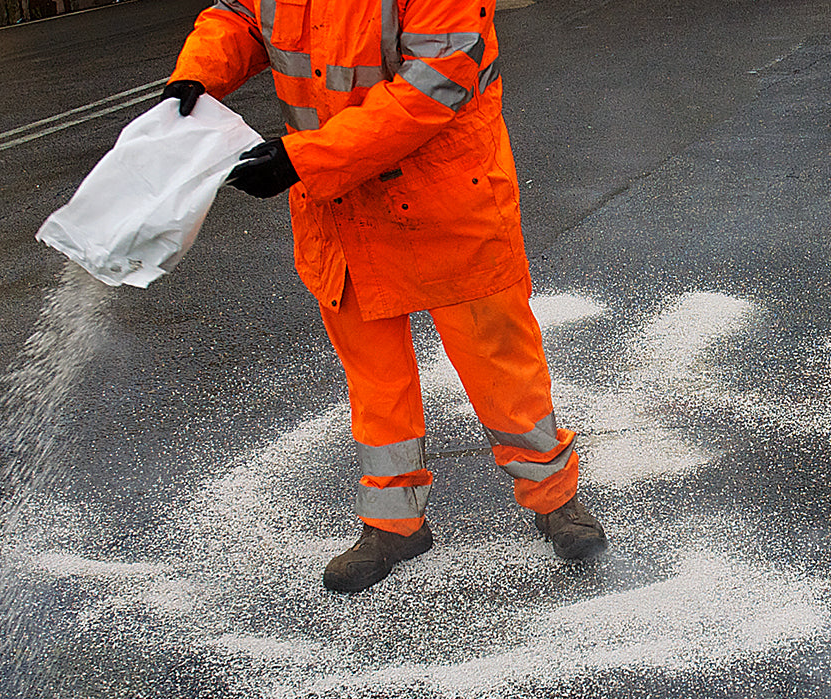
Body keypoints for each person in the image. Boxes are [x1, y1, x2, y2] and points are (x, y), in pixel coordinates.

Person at [162, 0, 607, 593]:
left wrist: (301, 159)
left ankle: (556, 501)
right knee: (375, 379)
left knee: (499, 361)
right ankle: (393, 525)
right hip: (341, 207)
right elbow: (241, 16)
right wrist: (198, 73)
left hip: (443, 196)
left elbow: (432, 88)